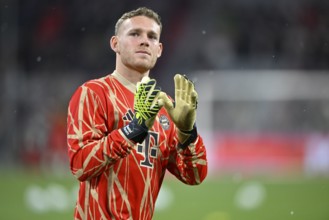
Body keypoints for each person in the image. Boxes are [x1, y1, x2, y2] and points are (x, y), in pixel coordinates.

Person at [67, 7, 208, 220]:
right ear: (115, 43)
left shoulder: (166, 106)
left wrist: (187, 133)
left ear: (159, 49)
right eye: (134, 34)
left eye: (152, 37)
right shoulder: (93, 93)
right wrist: (135, 129)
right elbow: (80, 165)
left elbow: (194, 175)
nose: (144, 41)